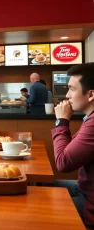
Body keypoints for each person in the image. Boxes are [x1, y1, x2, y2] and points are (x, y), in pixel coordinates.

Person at [50, 63, 94, 228]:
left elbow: (63, 162)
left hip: (90, 204)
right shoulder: (89, 118)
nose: (67, 95)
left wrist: (62, 121)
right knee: (36, 186)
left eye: (72, 89)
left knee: (34, 203)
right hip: (84, 188)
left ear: (90, 94)